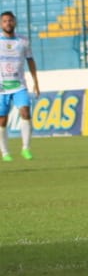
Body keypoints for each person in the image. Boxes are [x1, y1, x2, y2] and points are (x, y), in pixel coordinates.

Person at [0, 11, 39, 162]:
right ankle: (5, 152)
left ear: (14, 22)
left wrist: (36, 81)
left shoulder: (23, 41)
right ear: (1, 24)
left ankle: (26, 148)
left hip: (19, 85)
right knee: (2, 120)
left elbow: (30, 60)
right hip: (2, 87)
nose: (8, 23)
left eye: (10, 21)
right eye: (4, 21)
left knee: (25, 112)